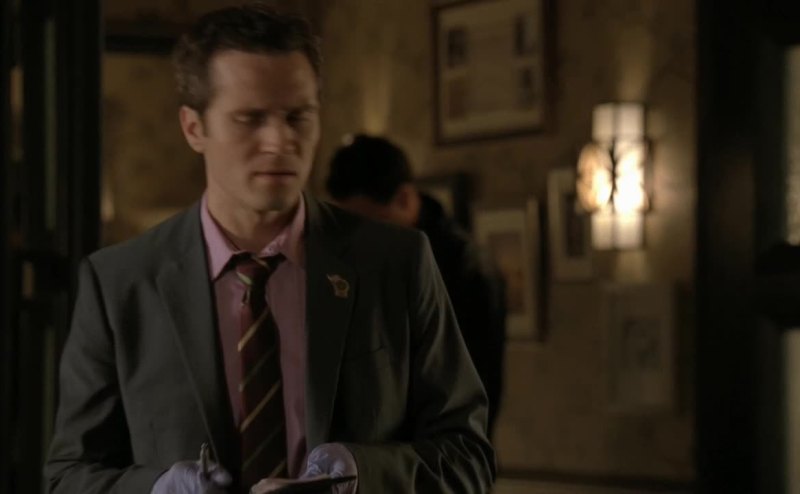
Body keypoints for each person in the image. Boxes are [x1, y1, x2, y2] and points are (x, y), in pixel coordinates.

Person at [44, 4, 494, 494]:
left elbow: (468, 458)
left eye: (298, 117)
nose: (280, 141)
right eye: (250, 118)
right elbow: (69, 477)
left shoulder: (395, 262)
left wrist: (356, 473)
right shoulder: (120, 283)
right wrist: (158, 489)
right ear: (194, 128)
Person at [326, 134, 506, 439]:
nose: (357, 240)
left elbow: (475, 396)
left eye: (367, 224)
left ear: (405, 200)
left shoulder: (466, 269)